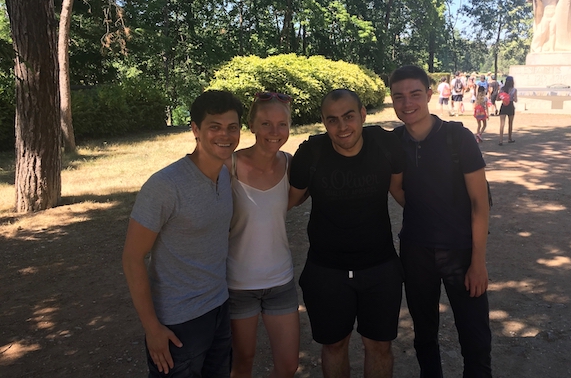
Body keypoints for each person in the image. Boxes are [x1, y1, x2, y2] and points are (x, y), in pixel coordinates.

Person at [122, 90, 243, 377]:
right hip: (178, 322)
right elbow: (132, 257)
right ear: (195, 130)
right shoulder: (165, 185)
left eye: (232, 127)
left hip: (219, 307)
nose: (224, 135)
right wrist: (152, 328)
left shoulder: (225, 175)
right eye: (214, 126)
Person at [288, 89, 406, 378]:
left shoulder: (386, 144)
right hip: (326, 270)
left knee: (379, 345)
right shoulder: (311, 153)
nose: (342, 127)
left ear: (363, 114)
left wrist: (459, 208)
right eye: (333, 120)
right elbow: (286, 201)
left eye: (349, 117)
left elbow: (403, 192)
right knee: (334, 345)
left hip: (379, 266)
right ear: (324, 122)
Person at [388, 65, 492, 378]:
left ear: (429, 95)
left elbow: (480, 202)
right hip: (416, 250)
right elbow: (396, 187)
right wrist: (424, 208)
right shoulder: (394, 142)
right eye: (399, 96)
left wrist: (478, 262)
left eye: (415, 94)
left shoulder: (457, 138)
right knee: (424, 334)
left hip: (461, 251)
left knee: (474, 336)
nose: (408, 103)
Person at [227, 92, 299, 378]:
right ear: (252, 125)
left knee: (288, 365)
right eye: (266, 123)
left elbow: (289, 204)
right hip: (237, 284)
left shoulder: (292, 165)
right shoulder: (228, 165)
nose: (275, 132)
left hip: (280, 281)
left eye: (282, 124)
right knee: (242, 362)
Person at [497, 76, 518, 146]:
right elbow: (515, 100)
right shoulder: (514, 90)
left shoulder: (502, 89)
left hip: (504, 105)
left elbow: (498, 98)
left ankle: (500, 140)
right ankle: (509, 138)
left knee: (502, 124)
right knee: (510, 123)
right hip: (510, 105)